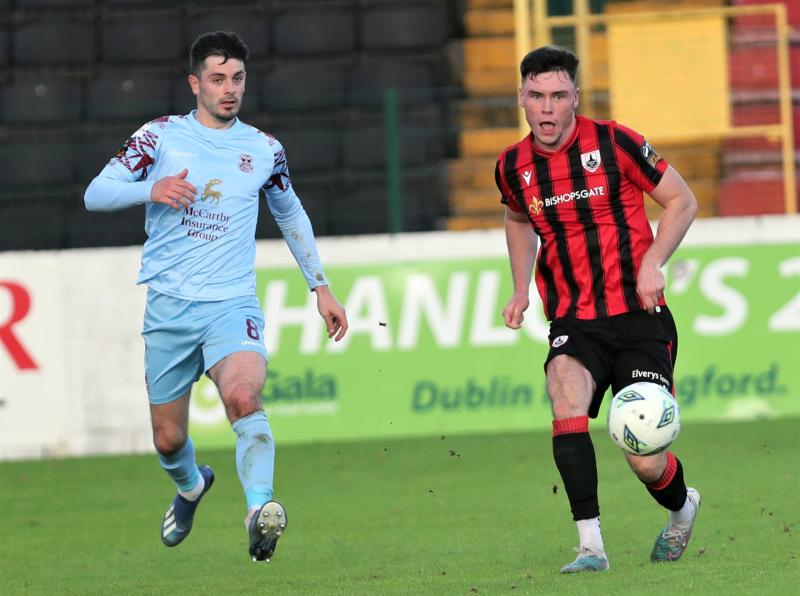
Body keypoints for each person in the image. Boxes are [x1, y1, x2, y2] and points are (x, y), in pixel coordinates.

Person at [84, 31, 348, 563]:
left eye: (238, 79)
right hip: (170, 307)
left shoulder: (265, 149)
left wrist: (320, 286)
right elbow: (96, 194)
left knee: (244, 398)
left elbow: (290, 214)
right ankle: (191, 487)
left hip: (232, 305)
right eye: (218, 79)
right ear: (195, 83)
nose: (230, 89)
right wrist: (150, 188)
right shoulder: (160, 136)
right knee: (167, 439)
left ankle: (258, 510)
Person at [495, 46, 700, 573]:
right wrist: (520, 288)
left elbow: (682, 201)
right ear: (521, 98)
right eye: (536, 95)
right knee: (564, 394)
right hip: (574, 321)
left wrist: (653, 262)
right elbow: (518, 219)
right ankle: (591, 547)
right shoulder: (512, 166)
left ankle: (682, 509)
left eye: (558, 95)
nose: (546, 108)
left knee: (644, 459)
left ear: (576, 99)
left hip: (639, 319)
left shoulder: (615, 142)